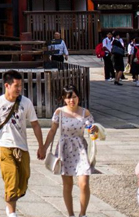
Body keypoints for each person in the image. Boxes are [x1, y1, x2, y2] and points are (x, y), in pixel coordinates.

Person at [0, 70, 45, 217]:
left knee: (23, 179)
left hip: (22, 146)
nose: (19, 89)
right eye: (16, 85)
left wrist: (41, 145)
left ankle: (10, 202)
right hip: (4, 146)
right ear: (7, 85)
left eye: (21, 85)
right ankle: (12, 212)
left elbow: (35, 124)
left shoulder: (26, 102)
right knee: (11, 177)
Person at [42, 85, 98, 217]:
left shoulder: (85, 112)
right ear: (63, 99)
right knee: (67, 185)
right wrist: (44, 147)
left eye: (74, 97)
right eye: (68, 98)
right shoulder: (59, 112)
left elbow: (91, 131)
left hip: (80, 148)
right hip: (64, 148)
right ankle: (70, 214)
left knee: (83, 183)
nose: (71, 100)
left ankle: (82, 213)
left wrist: (94, 131)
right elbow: (52, 131)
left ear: (78, 97)